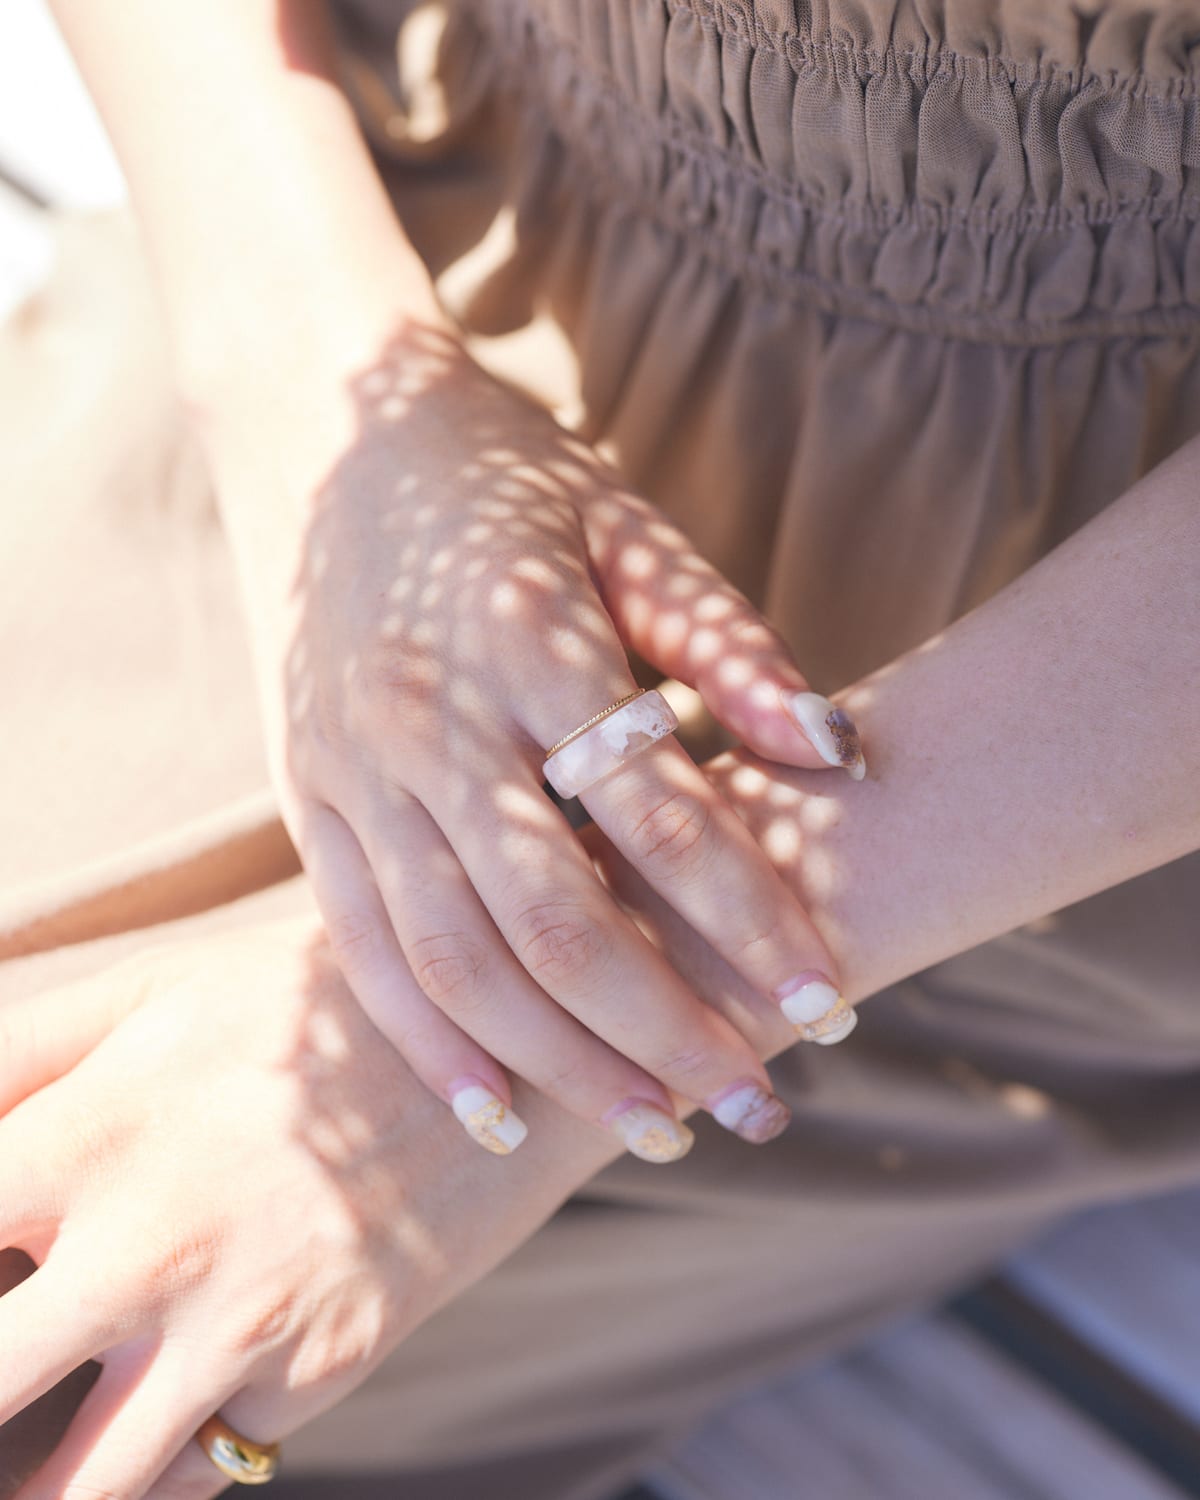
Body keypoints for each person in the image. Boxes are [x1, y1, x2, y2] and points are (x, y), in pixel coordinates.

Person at [1, 0, 1199, 1496]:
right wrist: (319, 410)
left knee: (95, 1413)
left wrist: (533, 1027)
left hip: (1033, 763)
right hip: (386, 222)